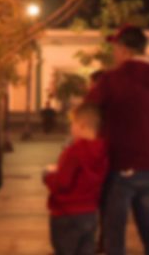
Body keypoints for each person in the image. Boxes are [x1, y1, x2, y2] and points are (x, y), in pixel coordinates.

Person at [85, 25, 149, 255]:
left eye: (115, 47)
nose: (114, 53)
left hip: (120, 168)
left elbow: (86, 111)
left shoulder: (112, 80)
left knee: (114, 238)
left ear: (125, 49)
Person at [43, 103, 108, 255]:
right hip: (90, 213)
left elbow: (62, 183)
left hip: (66, 213)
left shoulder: (74, 151)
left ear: (82, 126)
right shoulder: (103, 152)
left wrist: (47, 175)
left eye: (72, 123)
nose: (71, 128)